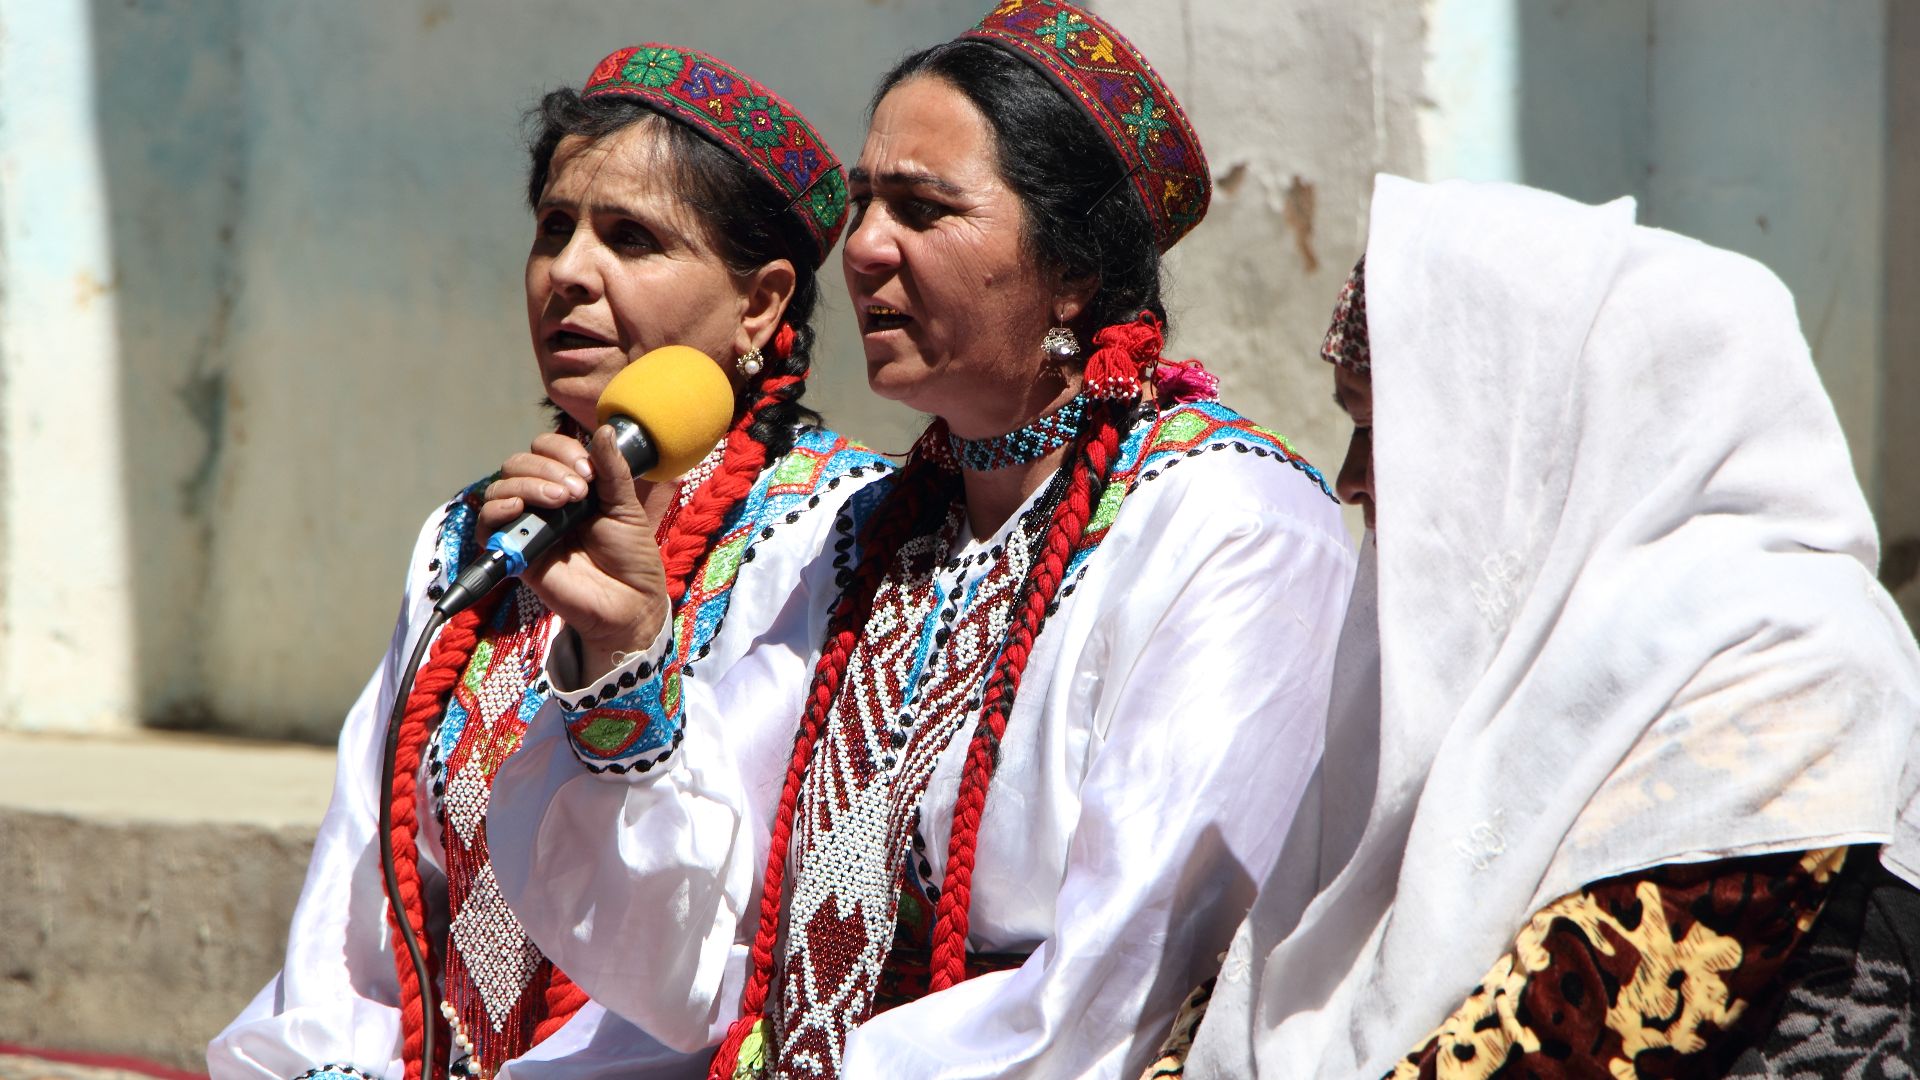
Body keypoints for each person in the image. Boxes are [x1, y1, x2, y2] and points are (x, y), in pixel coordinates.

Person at [484, 3, 1355, 1077]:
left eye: (925, 209)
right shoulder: (881, 538)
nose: (865, 249)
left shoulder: (1235, 528)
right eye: (864, 203)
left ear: (1074, 270)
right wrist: (621, 656)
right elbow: (686, 946)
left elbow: (1124, 978)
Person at [207, 44, 889, 1080]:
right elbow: (360, 917)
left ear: (760, 305)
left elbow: (717, 943)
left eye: (632, 237)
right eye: (553, 228)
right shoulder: (476, 538)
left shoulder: (837, 538)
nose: (569, 271)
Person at [1181, 176, 1920, 1078]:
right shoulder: (1504, 656)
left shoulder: (1800, 661)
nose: (1350, 481)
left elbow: (1573, 1037)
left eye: (1384, 434)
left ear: (1523, 439)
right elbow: (1275, 965)